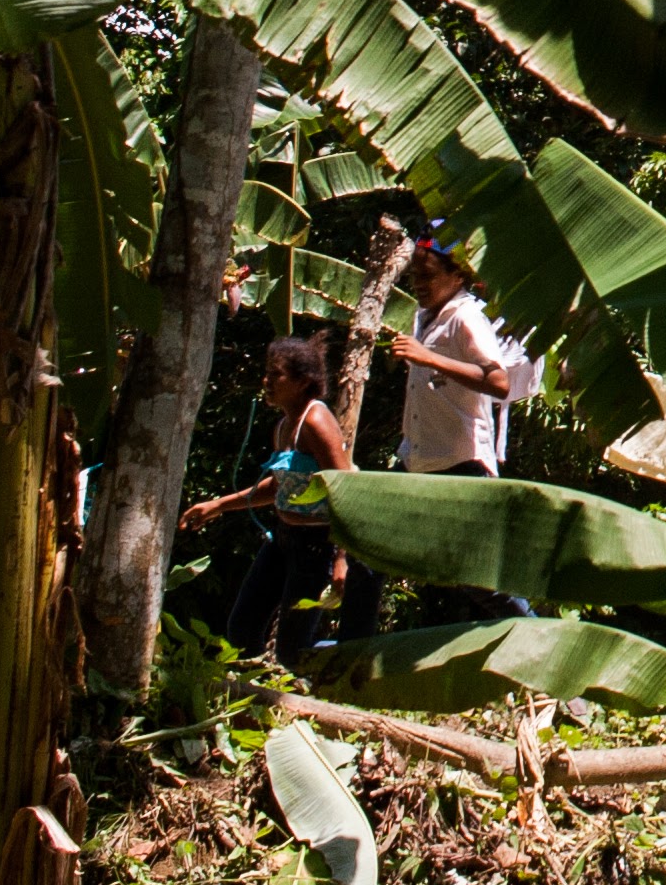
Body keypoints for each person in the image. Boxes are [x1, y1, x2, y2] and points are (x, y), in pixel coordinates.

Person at [381, 242, 532, 625]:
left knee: (476, 580)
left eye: (428, 276)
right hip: (418, 458)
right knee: (372, 548)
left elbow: (497, 382)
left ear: (458, 276)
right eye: (414, 276)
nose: (418, 284)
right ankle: (353, 651)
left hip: (460, 462)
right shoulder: (425, 314)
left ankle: (535, 636)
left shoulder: (466, 317)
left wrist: (429, 357)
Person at [184, 338, 352, 668]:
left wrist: (343, 558)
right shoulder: (283, 426)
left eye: (276, 375)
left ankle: (348, 669)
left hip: (316, 547)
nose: (267, 382)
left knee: (294, 650)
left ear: (303, 382)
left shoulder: (316, 423)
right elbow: (278, 486)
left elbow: (346, 489)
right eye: (267, 374)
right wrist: (218, 506)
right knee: (242, 628)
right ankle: (252, 697)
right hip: (283, 539)